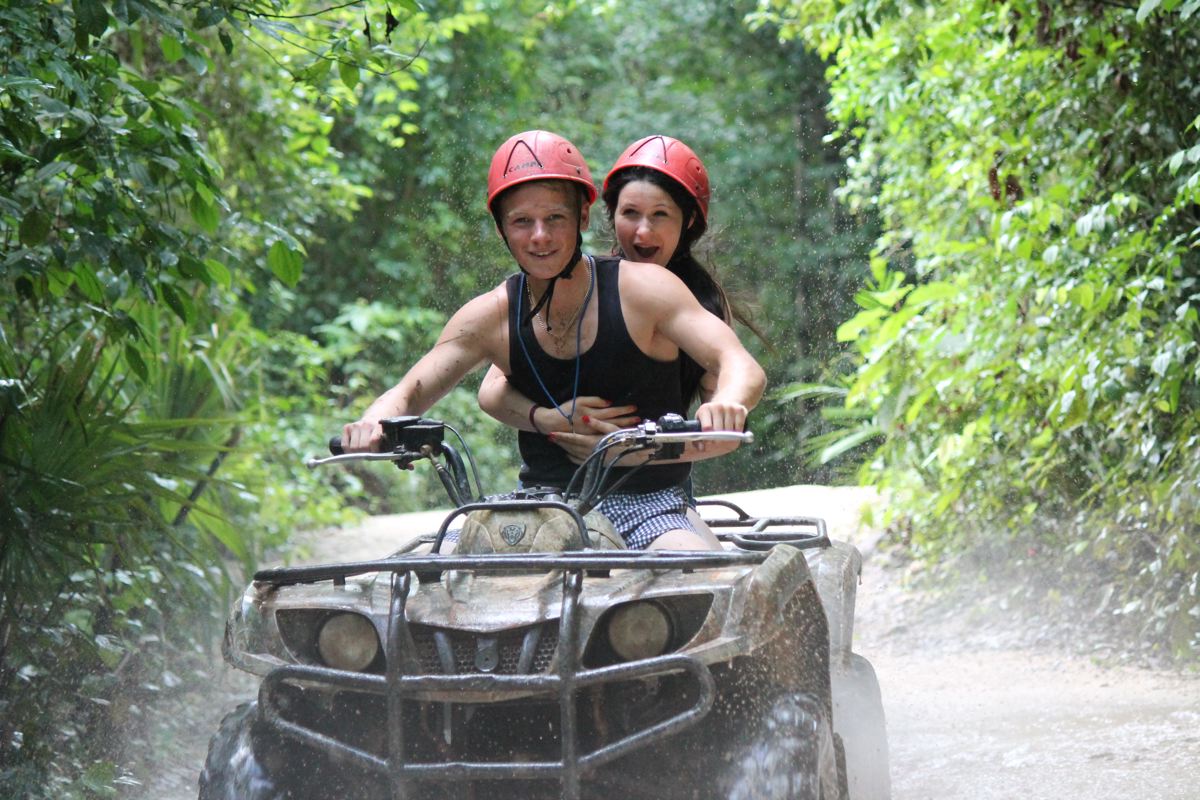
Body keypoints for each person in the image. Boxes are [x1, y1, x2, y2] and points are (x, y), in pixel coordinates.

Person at [342, 130, 765, 551]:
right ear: (501, 229)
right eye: (522, 221)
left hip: (648, 504)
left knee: (687, 568)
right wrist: (373, 424)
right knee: (430, 562)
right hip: (540, 508)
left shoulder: (645, 288)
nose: (540, 236)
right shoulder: (491, 315)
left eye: (555, 219)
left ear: (583, 218)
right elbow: (409, 392)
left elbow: (739, 364)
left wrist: (727, 403)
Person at [476, 134, 760, 483]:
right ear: (611, 216)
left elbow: (726, 430)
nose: (642, 232)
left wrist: (630, 453)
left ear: (687, 221)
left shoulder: (702, 304)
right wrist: (547, 419)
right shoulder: (583, 284)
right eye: (630, 213)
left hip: (653, 488)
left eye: (660, 215)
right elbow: (491, 388)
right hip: (556, 484)